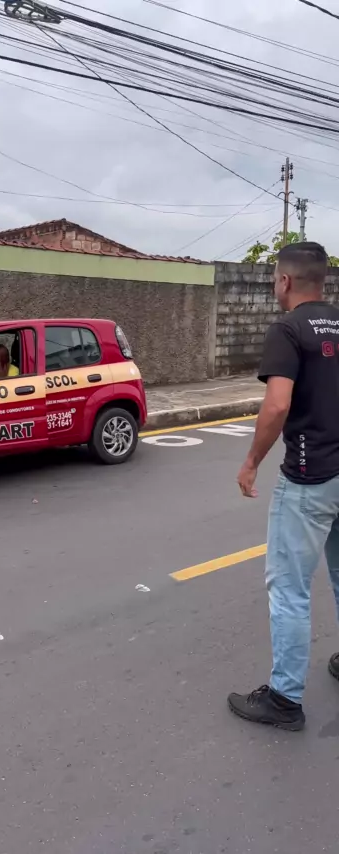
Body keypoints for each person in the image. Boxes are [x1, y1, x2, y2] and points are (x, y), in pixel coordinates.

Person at [228, 242, 339, 732]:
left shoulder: (289, 329)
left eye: (275, 277)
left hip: (310, 478)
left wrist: (252, 461)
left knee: (289, 588)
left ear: (286, 281)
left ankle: (284, 699)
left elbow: (276, 405)